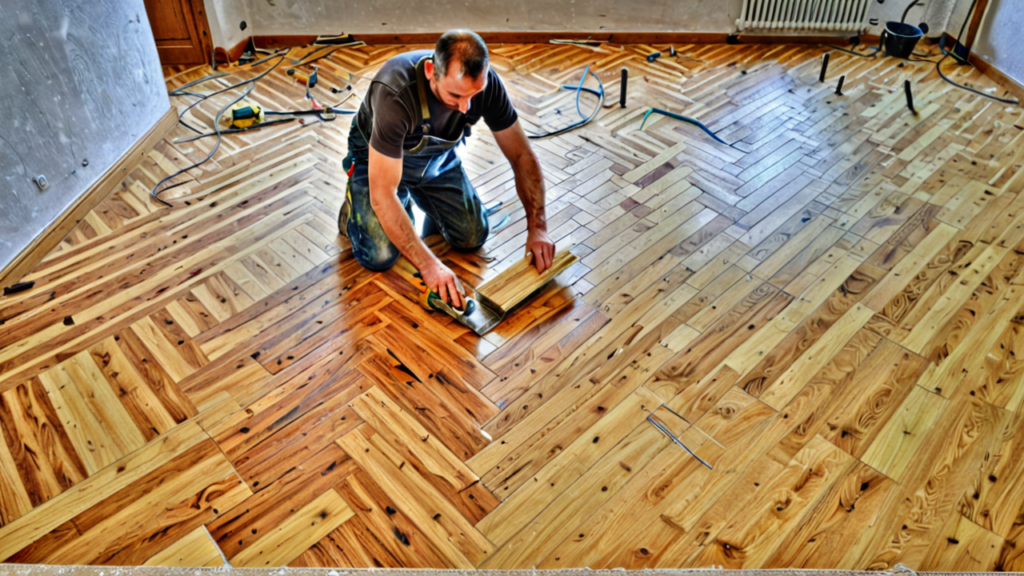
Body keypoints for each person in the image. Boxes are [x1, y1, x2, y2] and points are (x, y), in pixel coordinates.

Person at [339, 29, 555, 309]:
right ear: (431, 71)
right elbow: (383, 193)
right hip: (375, 162)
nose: (465, 107)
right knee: (379, 255)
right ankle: (352, 212)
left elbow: (522, 156)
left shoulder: (487, 87)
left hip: (435, 161)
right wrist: (430, 266)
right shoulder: (395, 92)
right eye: (455, 95)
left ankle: (424, 207)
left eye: (473, 95)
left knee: (472, 236)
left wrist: (538, 228)